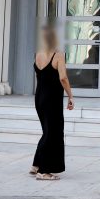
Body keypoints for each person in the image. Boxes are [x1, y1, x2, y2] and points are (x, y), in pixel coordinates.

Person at [31, 25, 74, 180]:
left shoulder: (38, 53)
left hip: (39, 97)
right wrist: (70, 96)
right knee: (52, 133)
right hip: (52, 100)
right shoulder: (58, 55)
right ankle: (43, 171)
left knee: (47, 132)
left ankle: (36, 165)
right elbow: (63, 78)